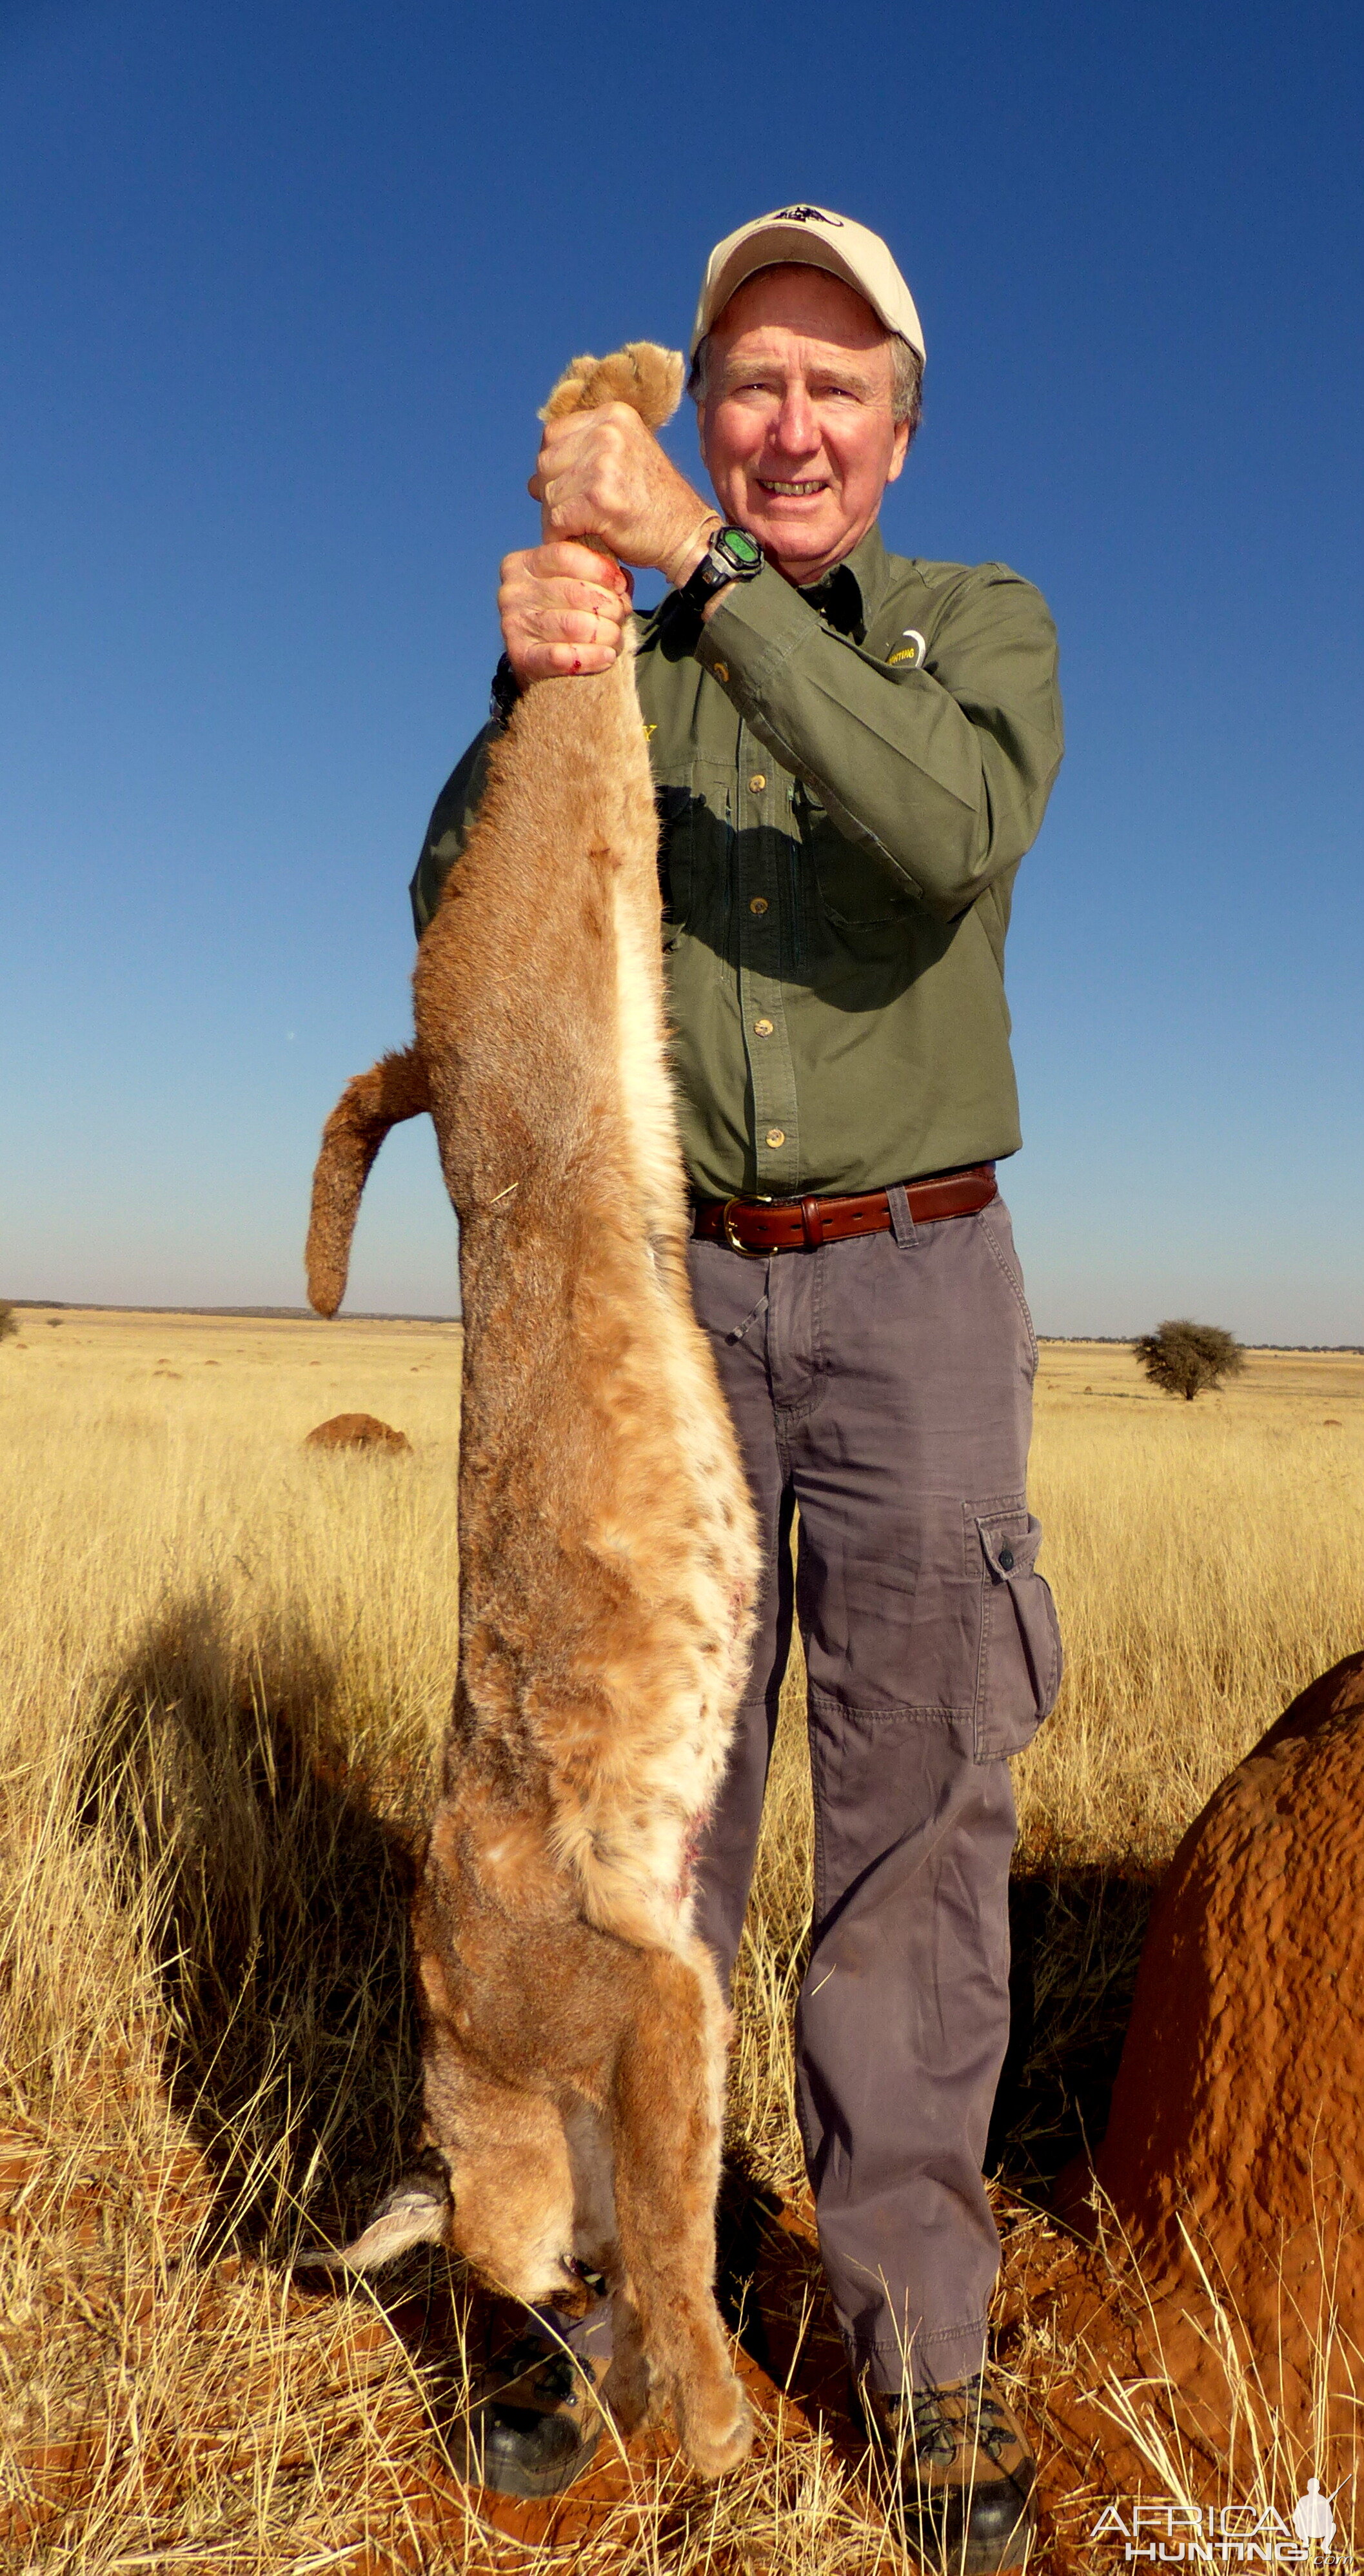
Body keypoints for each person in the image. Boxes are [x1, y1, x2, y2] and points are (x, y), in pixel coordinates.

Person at [410, 206, 1064, 2572]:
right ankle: (583, 2297)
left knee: (912, 1834)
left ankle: (919, 2355)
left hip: (912, 1289)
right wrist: (521, 702)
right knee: (621, 1825)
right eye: (748, 384)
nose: (787, 426)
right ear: (707, 404)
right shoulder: (627, 658)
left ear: (899, 430)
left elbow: (945, 822)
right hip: (653, 1314)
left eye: (835, 387)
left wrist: (694, 588)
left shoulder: (972, 628)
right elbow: (464, 943)